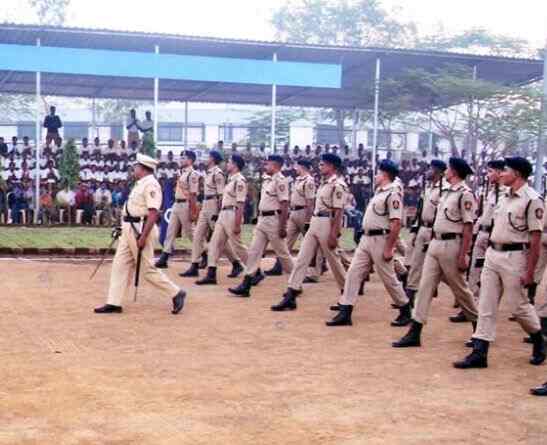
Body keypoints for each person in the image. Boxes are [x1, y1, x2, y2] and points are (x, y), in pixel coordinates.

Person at [454, 157, 546, 369]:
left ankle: (539, 338)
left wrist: (530, 272)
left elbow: (535, 239)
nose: (502, 173)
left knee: (518, 306)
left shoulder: (532, 200)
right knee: (486, 303)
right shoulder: (504, 197)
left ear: (517, 174)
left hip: (515, 257)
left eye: (506, 170)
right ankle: (480, 352)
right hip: (493, 253)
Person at [393, 157, 478, 348]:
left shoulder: (465, 194)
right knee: (424, 287)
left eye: (448, 169)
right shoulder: (446, 191)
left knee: (460, 289)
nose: (445, 171)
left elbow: (468, 227)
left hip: (452, 244)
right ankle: (415, 332)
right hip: (435, 243)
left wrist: (464, 254)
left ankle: (479, 327)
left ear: (454, 172)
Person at [94, 153, 186, 315]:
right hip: (129, 228)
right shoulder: (140, 184)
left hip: (140, 229)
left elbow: (153, 213)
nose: (134, 169)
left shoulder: (151, 184)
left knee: (147, 269)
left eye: (136, 166)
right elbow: (133, 208)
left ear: (143, 168)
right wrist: (122, 226)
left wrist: (143, 236)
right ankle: (114, 302)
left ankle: (176, 292)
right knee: (119, 265)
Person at [326, 160, 411, 327]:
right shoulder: (379, 192)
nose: (376, 176)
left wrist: (389, 248)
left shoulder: (392, 194)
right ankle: (345, 310)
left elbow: (396, 223)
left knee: (388, 278)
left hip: (380, 239)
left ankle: (405, 309)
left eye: (378, 173)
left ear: (385, 174)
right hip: (366, 239)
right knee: (353, 272)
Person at [270, 153, 347, 312]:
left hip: (326, 222)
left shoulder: (338, 185)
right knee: (302, 258)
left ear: (332, 166)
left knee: (334, 261)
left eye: (323, 164)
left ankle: (348, 295)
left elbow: (339, 211)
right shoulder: (324, 182)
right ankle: (291, 293)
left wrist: (334, 233)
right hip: (315, 221)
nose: (320, 166)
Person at [228, 155, 293, 298]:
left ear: (275, 165)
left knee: (283, 254)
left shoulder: (280, 180)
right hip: (263, 220)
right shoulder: (267, 180)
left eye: (267, 164)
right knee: (254, 252)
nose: (265, 166)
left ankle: (296, 284)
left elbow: (284, 204)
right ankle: (246, 284)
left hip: (274, 220)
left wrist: (283, 226)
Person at [451, 159, 506, 323]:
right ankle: (470, 308)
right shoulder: (491, 191)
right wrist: (474, 233)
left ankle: (484, 312)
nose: (488, 175)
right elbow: (483, 216)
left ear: (499, 172)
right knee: (474, 274)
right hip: (482, 235)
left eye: (491, 171)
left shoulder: (506, 193)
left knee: (490, 278)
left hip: (493, 236)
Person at [181, 150, 244, 278]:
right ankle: (194, 265)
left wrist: (218, 212)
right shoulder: (208, 173)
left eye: (208, 156)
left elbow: (221, 194)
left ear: (213, 159)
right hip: (205, 204)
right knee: (198, 234)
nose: (206, 158)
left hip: (213, 205)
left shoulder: (218, 174)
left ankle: (236, 263)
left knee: (220, 238)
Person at [196, 154, 248, 285]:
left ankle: (256, 270)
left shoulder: (239, 181)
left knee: (238, 246)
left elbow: (241, 204)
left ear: (235, 165)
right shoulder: (230, 179)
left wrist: (237, 224)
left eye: (229, 162)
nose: (227, 164)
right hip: (223, 214)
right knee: (214, 244)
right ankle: (211, 274)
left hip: (232, 213)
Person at [264, 159, 316, 277]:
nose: (295, 168)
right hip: (294, 212)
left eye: (297, 166)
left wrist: (308, 220)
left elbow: (310, 202)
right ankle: (279, 266)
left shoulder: (309, 181)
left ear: (302, 167)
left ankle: (318, 266)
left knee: (311, 242)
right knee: (285, 241)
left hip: (303, 212)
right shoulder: (298, 180)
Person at [405, 160, 447, 305]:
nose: (428, 171)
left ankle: (461, 295)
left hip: (434, 231)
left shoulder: (444, 189)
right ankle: (410, 296)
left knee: (444, 269)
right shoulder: (428, 187)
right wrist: (415, 230)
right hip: (423, 228)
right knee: (416, 263)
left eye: (431, 169)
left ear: (438, 172)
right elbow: (420, 210)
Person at [155, 151, 200, 269]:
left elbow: (193, 194)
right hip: (176, 203)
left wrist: (193, 211)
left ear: (190, 160)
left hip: (186, 204)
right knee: (170, 231)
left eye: (184, 158)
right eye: (181, 157)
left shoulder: (192, 174)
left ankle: (204, 252)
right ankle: (164, 257)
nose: (181, 160)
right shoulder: (181, 173)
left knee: (190, 233)